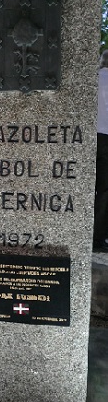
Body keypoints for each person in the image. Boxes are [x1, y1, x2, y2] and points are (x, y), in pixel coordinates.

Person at [95, 50, 108, 252]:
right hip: (107, 136)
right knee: (105, 190)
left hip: (89, 136)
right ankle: (97, 238)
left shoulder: (94, 77)